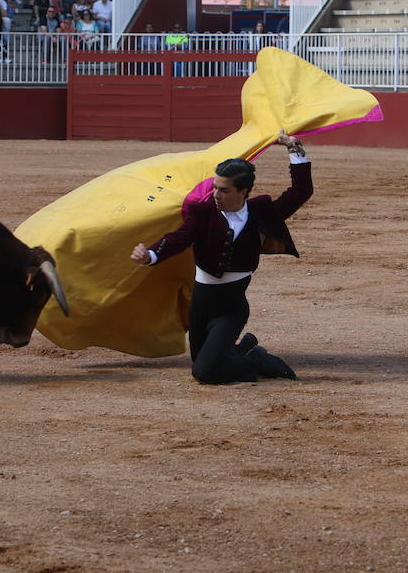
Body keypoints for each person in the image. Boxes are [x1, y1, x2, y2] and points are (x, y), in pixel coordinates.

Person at [129, 134, 312, 385]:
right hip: (201, 306)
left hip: (231, 309)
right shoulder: (203, 212)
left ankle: (256, 359)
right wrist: (151, 254)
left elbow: (301, 191)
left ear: (243, 191)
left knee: (204, 372)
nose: (216, 194)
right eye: (215, 187)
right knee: (205, 363)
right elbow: (180, 237)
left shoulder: (262, 212)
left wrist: (295, 148)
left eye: (224, 190)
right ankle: (246, 347)